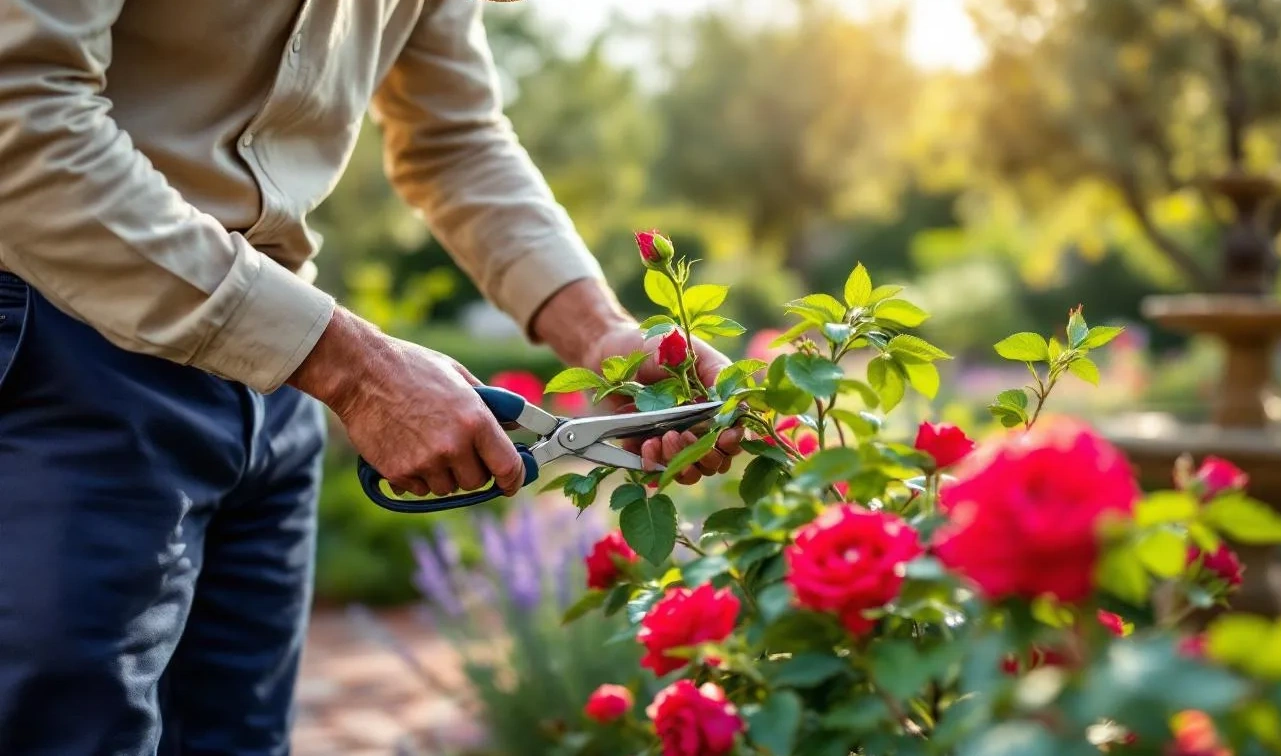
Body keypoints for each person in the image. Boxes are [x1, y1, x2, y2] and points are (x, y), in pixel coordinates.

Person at [0, 0, 741, 753]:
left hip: (276, 376)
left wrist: (604, 333)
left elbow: (455, 139)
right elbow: (21, 116)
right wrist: (356, 370)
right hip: (59, 345)